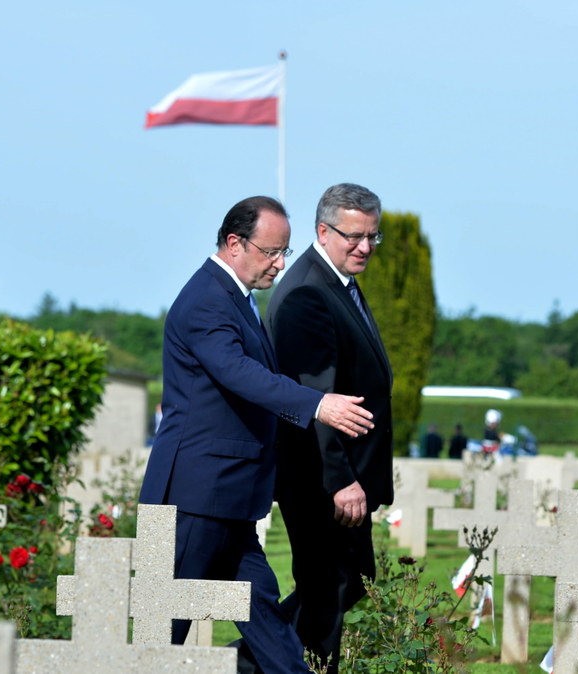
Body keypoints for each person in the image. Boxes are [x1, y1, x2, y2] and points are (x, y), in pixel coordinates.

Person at [137, 195, 374, 674]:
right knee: (160, 636)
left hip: (230, 498)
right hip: (193, 497)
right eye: (272, 252)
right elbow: (238, 372)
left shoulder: (237, 299)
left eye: (285, 251)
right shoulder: (206, 299)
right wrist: (317, 403)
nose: (281, 263)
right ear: (234, 243)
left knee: (266, 620)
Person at [268, 183, 393, 673]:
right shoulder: (306, 293)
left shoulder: (335, 281)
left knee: (347, 582)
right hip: (322, 478)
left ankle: (253, 661)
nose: (364, 247)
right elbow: (315, 399)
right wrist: (340, 479)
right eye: (354, 236)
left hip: (342, 476)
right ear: (323, 230)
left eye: (372, 237)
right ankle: (251, 663)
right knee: (328, 593)